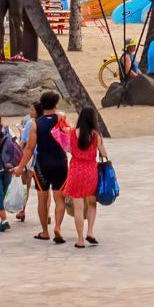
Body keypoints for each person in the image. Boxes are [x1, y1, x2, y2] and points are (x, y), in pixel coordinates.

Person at [60, 103, 109, 248]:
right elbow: (105, 154)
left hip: (75, 171)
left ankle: (80, 240)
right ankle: (91, 232)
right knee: (92, 204)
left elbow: (69, 148)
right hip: (90, 172)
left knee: (79, 209)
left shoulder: (73, 132)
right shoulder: (96, 135)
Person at [29, 91, 72, 243]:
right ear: (56, 104)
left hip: (42, 164)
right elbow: (69, 135)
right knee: (59, 198)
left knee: (42, 198)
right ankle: (58, 227)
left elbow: (29, 148)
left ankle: (45, 231)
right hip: (60, 163)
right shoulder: (60, 119)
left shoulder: (36, 123)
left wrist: (21, 167)